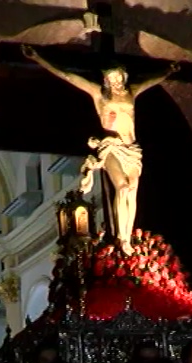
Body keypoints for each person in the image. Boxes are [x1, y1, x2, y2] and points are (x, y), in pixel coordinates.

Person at [22, 45, 180, 253]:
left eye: (118, 77)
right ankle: (122, 240)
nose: (115, 82)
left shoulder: (131, 93)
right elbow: (69, 76)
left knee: (132, 192)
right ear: (105, 80)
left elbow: (150, 81)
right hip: (111, 147)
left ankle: (127, 237)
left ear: (124, 77)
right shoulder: (99, 95)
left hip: (132, 149)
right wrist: (39, 59)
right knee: (122, 187)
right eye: (111, 78)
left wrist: (168, 71)